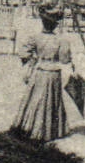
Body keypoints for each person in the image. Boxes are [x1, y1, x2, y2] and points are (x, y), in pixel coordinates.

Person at [12, 8, 77, 143]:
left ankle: (31, 126)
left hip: (40, 71)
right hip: (53, 73)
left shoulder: (36, 38)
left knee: (36, 99)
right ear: (55, 25)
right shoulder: (61, 40)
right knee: (51, 101)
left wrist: (33, 60)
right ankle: (50, 131)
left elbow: (23, 52)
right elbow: (65, 59)